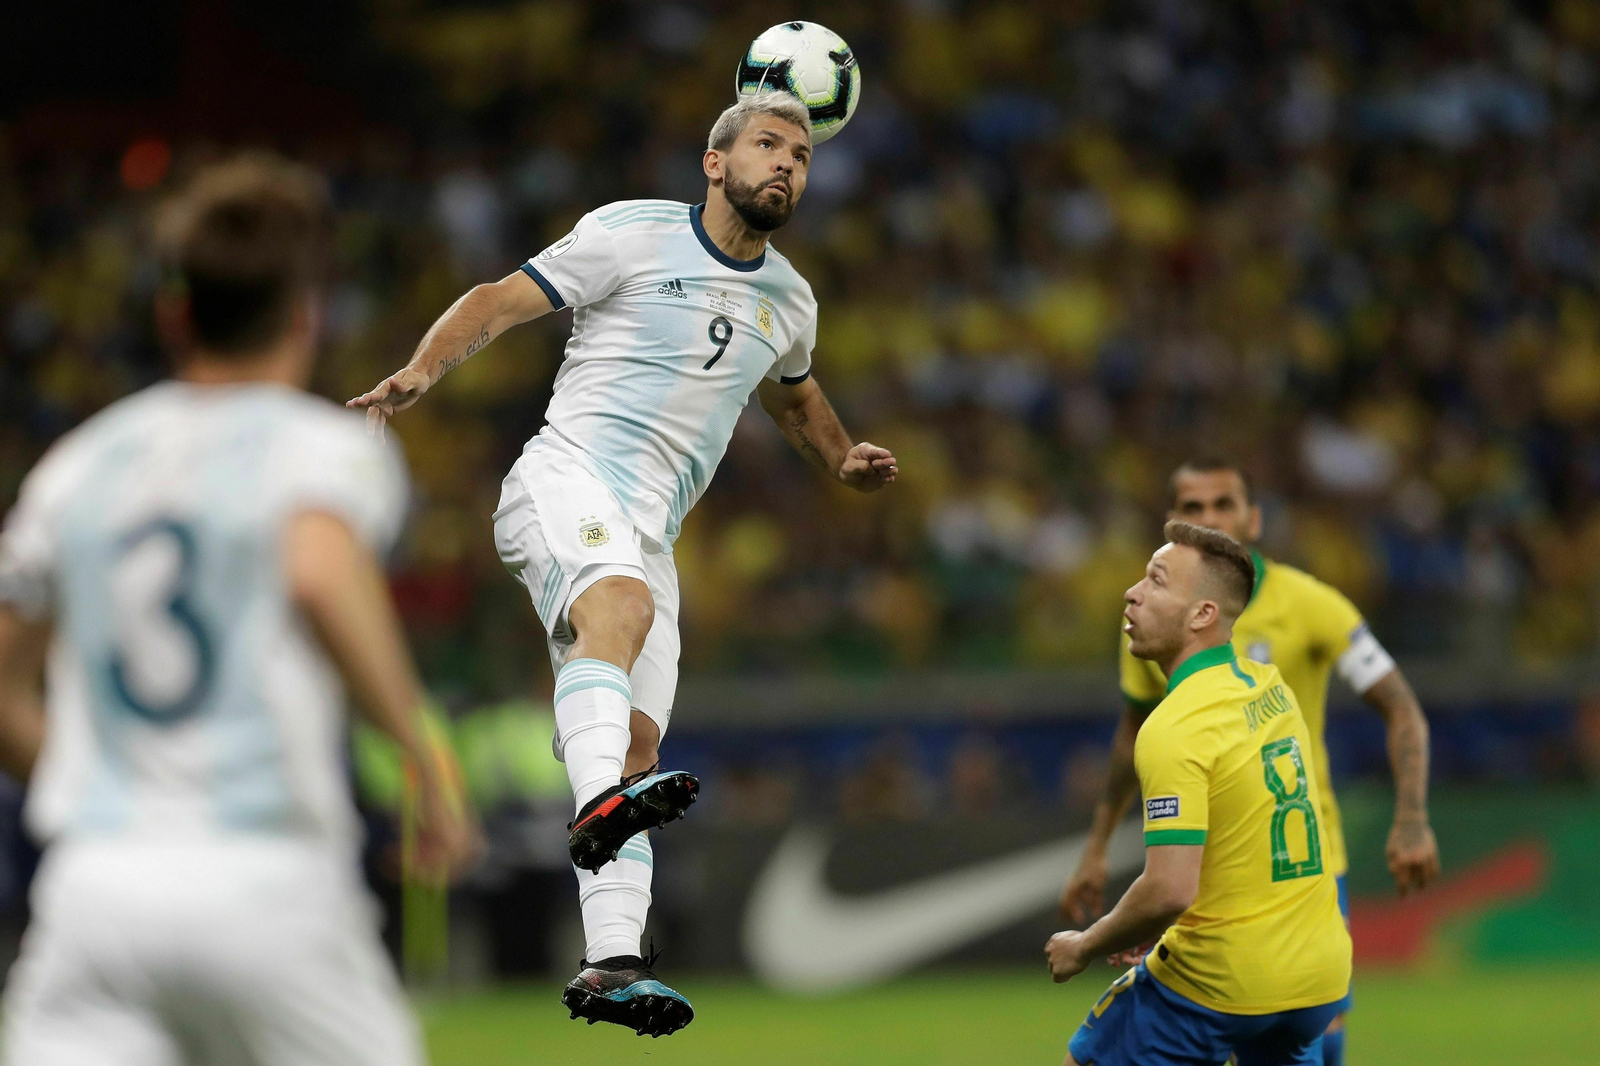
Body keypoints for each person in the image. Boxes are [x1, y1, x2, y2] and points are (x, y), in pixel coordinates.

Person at [348, 91, 898, 1036]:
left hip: (653, 536)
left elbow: (797, 401)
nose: (787, 166)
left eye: (802, 156)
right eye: (768, 145)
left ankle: (611, 963)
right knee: (619, 617)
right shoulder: (631, 234)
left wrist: (843, 459)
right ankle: (599, 801)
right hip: (565, 479)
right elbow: (498, 300)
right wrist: (423, 371)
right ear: (714, 163)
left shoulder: (789, 299)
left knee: (640, 751)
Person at [0, 155, 475, 1065]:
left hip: (95, 893)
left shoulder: (75, 467)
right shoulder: (324, 450)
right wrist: (421, 757)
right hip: (268, 879)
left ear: (172, 313)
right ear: (307, 313)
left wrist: (113, 783)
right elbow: (317, 572)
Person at [1059, 457, 1438, 1065]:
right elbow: (1134, 750)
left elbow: (1402, 707)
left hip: (1291, 884)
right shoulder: (1262, 677)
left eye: (1223, 505)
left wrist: (1412, 815)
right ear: (1174, 519)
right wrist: (1100, 847)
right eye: (1193, 508)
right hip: (1267, 919)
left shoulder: (1309, 606)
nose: (1211, 518)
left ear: (1252, 517)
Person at [1047, 521, 1352, 1066]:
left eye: (1156, 582)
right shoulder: (1271, 688)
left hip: (1226, 981)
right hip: (1317, 978)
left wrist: (1085, 944)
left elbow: (1169, 890)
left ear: (1202, 614)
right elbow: (1244, 841)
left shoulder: (1174, 728)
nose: (1132, 593)